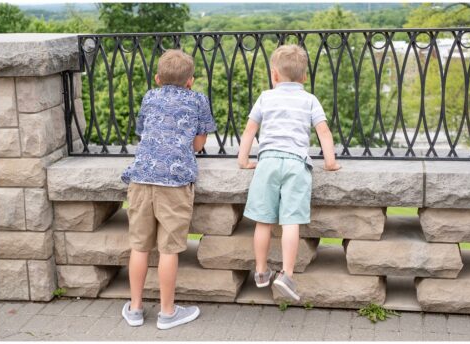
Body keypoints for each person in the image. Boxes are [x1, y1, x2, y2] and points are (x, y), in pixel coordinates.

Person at [237, 44, 341, 302]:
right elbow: (324, 132)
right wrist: (330, 162)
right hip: (296, 163)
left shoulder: (265, 97)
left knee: (263, 220)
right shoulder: (310, 100)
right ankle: (287, 274)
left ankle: (261, 272)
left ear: (274, 75)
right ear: (304, 77)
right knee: (290, 221)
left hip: (268, 162)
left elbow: (250, 130)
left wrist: (243, 161)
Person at [120, 49, 215, 329]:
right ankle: (167, 312)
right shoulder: (198, 99)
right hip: (174, 183)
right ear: (190, 80)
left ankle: (135, 309)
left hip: (141, 178)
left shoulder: (150, 96)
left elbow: (143, 131)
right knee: (168, 250)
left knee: (139, 246)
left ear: (158, 78)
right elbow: (197, 145)